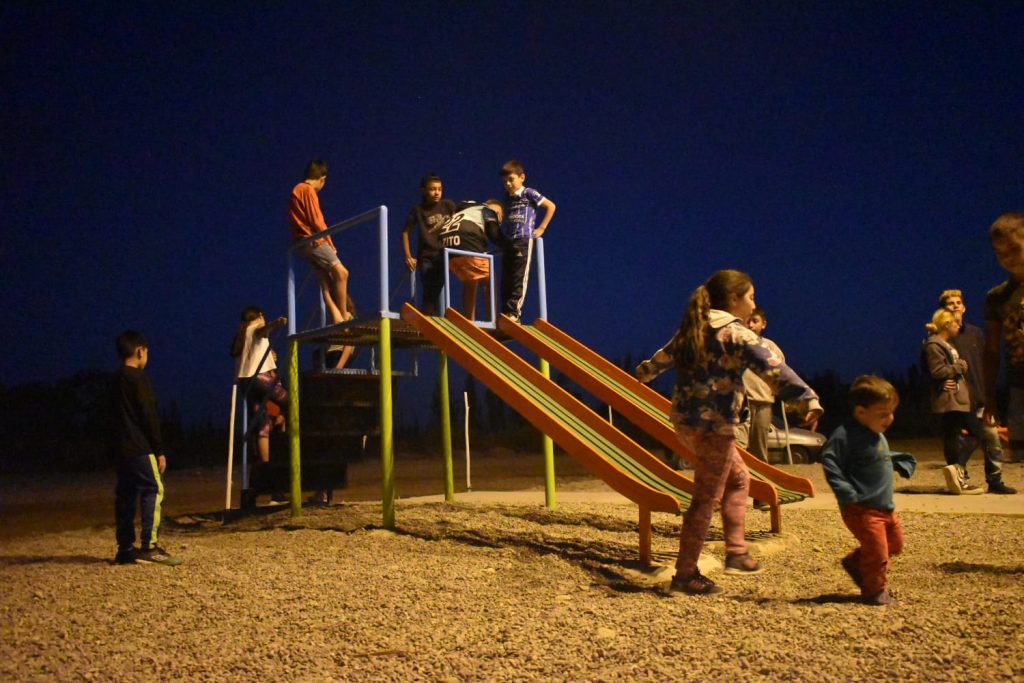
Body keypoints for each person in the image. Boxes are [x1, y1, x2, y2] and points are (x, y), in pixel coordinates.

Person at [634, 270, 822, 595]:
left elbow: (663, 358)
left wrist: (646, 370)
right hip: (715, 425)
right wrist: (807, 399)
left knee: (738, 479)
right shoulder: (735, 333)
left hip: (686, 422)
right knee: (706, 497)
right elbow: (773, 367)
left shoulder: (694, 327)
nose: (753, 304)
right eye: (750, 297)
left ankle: (736, 552)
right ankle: (685, 575)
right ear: (734, 299)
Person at [820, 375, 916, 606]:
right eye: (883, 414)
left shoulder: (875, 434)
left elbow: (872, 456)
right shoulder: (845, 435)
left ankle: (856, 563)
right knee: (878, 553)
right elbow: (830, 460)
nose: (890, 419)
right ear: (861, 412)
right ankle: (874, 591)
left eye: (892, 413)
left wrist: (898, 459)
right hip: (861, 508)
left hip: (885, 507)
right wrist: (845, 491)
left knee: (895, 545)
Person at [109, 331, 182, 566]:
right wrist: (159, 449)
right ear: (140, 351)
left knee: (126, 494)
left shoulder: (113, 379)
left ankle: (125, 549)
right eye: (147, 352)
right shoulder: (138, 378)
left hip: (120, 448)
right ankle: (149, 547)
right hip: (139, 446)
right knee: (154, 488)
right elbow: (148, 414)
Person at [939, 289, 1015, 494]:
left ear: (964, 307)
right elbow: (931, 366)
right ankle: (958, 477)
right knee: (959, 438)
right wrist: (941, 384)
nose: (955, 306)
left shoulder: (975, 333)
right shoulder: (941, 337)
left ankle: (994, 480)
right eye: (950, 303)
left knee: (991, 438)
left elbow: (985, 363)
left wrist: (989, 394)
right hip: (957, 398)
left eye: (958, 302)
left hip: (979, 395)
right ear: (943, 309)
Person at [922, 308, 984, 495]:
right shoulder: (935, 345)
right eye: (955, 323)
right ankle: (957, 471)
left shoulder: (946, 344)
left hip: (957, 396)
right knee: (974, 432)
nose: (958, 325)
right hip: (950, 398)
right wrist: (959, 366)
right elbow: (937, 371)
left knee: (954, 434)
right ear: (947, 324)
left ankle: (956, 476)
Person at [289, 159, 350, 324]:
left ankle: (336, 316)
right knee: (342, 273)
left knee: (325, 280)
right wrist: (330, 242)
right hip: (312, 240)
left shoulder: (296, 190)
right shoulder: (307, 189)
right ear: (322, 178)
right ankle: (344, 316)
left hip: (301, 243)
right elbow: (316, 220)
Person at [984, 212, 1024, 464]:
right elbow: (992, 349)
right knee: (1020, 457)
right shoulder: (997, 297)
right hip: (1019, 384)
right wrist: (988, 397)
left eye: (1014, 249)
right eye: (1000, 253)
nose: (1007, 257)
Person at [498, 160, 556, 322]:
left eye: (511, 179)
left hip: (523, 239)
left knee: (519, 276)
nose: (508, 184)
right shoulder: (507, 198)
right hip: (509, 240)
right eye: (505, 181)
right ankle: (504, 313)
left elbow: (551, 206)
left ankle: (514, 313)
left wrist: (541, 228)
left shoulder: (528, 193)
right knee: (506, 278)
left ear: (521, 177)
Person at [230, 307, 289, 465]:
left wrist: (270, 356)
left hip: (246, 384)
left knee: (262, 425)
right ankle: (283, 423)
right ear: (260, 316)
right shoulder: (255, 328)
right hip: (259, 379)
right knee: (292, 402)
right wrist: (276, 323)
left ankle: (265, 464)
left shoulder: (242, 334)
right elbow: (262, 330)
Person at [434, 200, 503, 319]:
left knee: (470, 278)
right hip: (465, 242)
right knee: (489, 278)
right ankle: (492, 318)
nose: (498, 217)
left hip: (446, 250)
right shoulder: (487, 211)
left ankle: (469, 318)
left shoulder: (466, 212)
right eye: (497, 213)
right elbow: (496, 236)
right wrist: (512, 246)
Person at [400, 173, 457, 314]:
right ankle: (428, 317)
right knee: (429, 286)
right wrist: (408, 256)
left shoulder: (448, 205)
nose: (437, 192)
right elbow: (405, 232)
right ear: (424, 191)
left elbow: (460, 223)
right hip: (427, 255)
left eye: (439, 189)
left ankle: (432, 316)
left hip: (444, 254)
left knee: (437, 286)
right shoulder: (418, 210)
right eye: (432, 189)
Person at [736, 307, 782, 461]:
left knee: (759, 448)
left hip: (763, 402)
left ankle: (760, 474)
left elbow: (781, 371)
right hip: (742, 402)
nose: (750, 325)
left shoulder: (769, 346)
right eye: (747, 321)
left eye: (755, 321)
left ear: (763, 324)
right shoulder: (738, 345)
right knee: (738, 444)